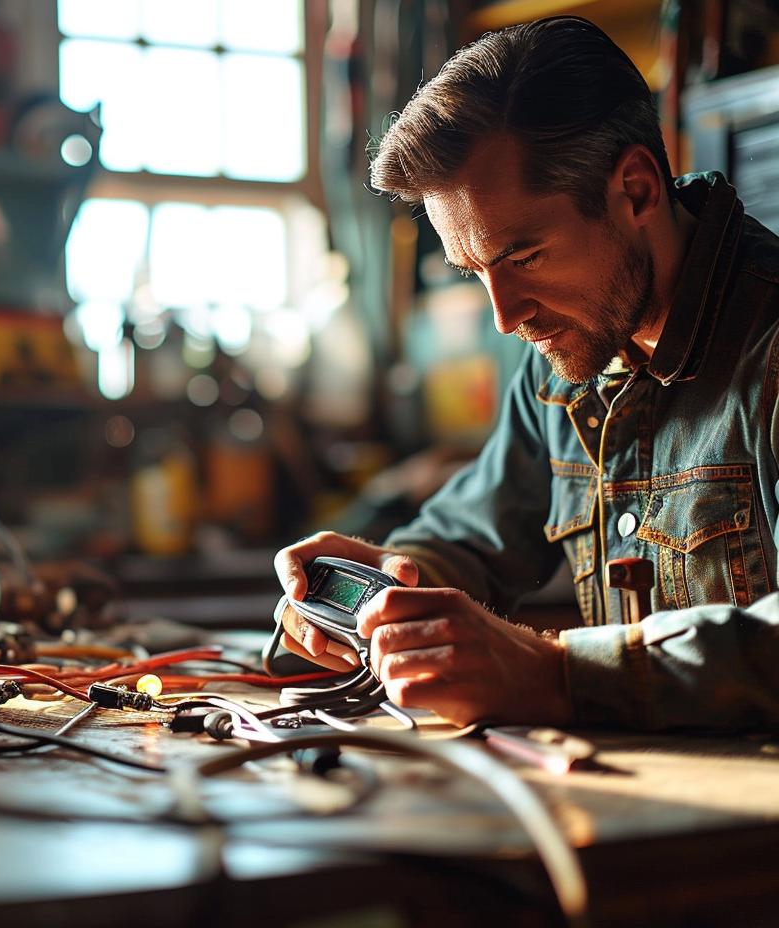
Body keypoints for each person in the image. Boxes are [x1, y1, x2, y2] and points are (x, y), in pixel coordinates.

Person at [274, 15, 779, 732]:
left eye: (520, 256)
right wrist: (390, 584)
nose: (505, 317)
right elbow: (473, 536)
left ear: (634, 191)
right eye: (474, 272)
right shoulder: (569, 352)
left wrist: (556, 674)